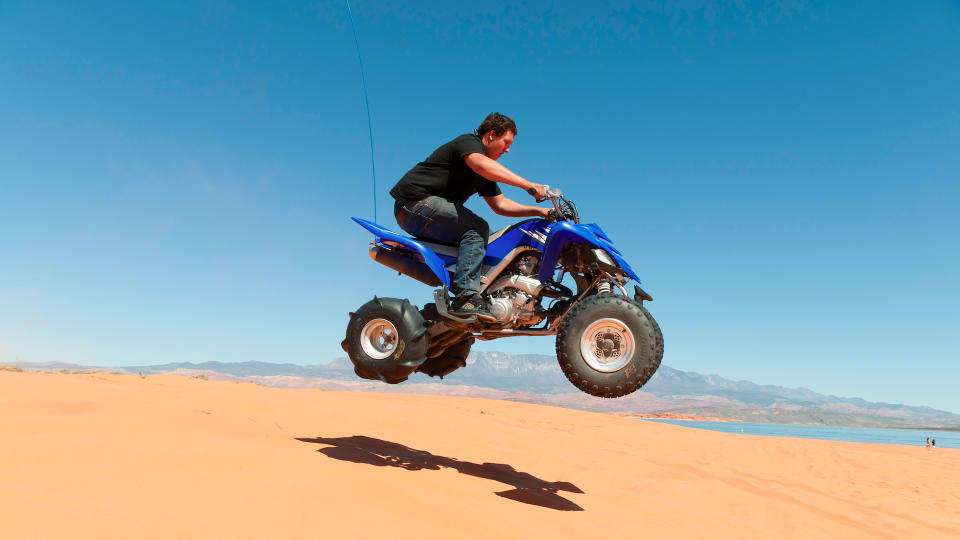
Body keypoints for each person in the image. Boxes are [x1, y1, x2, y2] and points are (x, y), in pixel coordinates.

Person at [390, 112, 550, 320]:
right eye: (506, 142)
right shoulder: (468, 143)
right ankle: (466, 297)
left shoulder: (484, 172)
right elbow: (481, 165)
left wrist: (540, 212)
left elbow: (500, 205)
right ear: (492, 135)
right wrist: (529, 185)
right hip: (414, 203)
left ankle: (485, 296)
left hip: (426, 213)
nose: (508, 150)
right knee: (476, 229)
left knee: (492, 242)